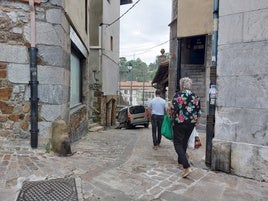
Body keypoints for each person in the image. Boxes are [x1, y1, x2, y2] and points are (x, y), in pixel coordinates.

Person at [171, 77, 201, 178]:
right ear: (189, 85)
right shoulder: (195, 96)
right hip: (191, 123)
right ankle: (180, 162)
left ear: (182, 85)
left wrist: (171, 118)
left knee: (177, 143)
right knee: (184, 142)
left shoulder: (178, 95)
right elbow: (198, 111)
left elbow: (173, 109)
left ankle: (186, 166)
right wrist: (196, 121)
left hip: (180, 122)